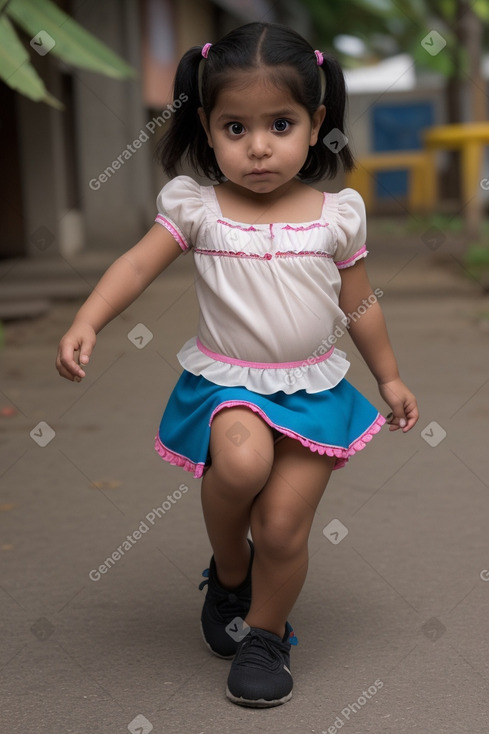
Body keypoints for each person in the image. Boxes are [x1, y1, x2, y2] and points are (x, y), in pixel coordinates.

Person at [56, 21, 418, 709]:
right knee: (244, 467)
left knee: (282, 525)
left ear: (314, 125)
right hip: (228, 383)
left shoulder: (336, 215)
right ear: (206, 126)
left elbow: (359, 302)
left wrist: (388, 375)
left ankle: (264, 634)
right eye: (234, 128)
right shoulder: (199, 207)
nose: (257, 147)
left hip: (314, 388)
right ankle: (229, 571)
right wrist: (88, 319)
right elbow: (135, 264)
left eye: (279, 124)